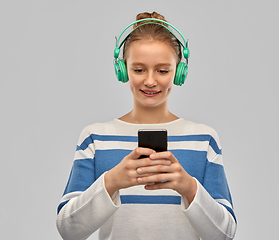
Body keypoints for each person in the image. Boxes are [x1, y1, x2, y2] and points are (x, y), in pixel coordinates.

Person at [56, 11, 237, 240]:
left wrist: (189, 188)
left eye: (162, 70)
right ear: (122, 70)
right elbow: (68, 230)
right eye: (139, 69)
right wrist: (111, 182)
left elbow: (225, 234)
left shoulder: (203, 139)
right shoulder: (95, 138)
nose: (150, 81)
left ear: (179, 72)